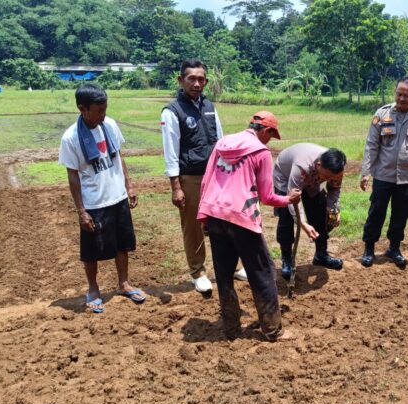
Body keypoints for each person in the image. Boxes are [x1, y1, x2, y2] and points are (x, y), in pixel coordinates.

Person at [197, 111, 301, 341]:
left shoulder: (222, 143)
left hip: (214, 213)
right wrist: (288, 200)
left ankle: (231, 328)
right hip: (242, 217)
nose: (269, 142)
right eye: (270, 137)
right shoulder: (260, 152)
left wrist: (204, 216)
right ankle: (273, 330)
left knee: (224, 275)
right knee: (262, 272)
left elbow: (206, 181)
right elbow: (266, 196)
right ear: (266, 131)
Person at [161, 58, 246, 299]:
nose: (197, 84)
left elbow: (220, 140)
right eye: (191, 79)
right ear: (181, 80)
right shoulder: (172, 111)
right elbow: (170, 152)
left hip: (216, 175)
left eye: (201, 79)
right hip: (190, 176)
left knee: (225, 221)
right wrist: (176, 187)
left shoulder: (209, 106)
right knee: (193, 226)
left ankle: (229, 266)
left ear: (206, 81)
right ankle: (198, 272)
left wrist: (230, 171)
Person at [58, 83, 146, 313]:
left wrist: (129, 185)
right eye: (98, 111)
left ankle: (124, 283)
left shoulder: (110, 125)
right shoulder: (70, 138)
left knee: (122, 244)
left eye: (105, 109)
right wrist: (81, 211)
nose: (103, 115)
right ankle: (94, 289)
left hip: (117, 196)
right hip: (94, 202)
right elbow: (73, 176)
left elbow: (118, 156)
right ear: (82, 109)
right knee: (91, 250)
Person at [359, 76, 408, 269]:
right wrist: (366, 171)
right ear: (395, 91)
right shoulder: (382, 114)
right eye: (399, 94)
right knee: (376, 212)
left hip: (407, 177)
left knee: (401, 214)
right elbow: (371, 145)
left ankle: (394, 247)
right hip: (383, 175)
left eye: (406, 96)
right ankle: (369, 248)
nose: (401, 99)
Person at [273, 143, 346, 278]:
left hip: (311, 178)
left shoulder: (337, 168)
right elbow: (292, 199)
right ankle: (287, 260)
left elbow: (334, 189)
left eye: (331, 178)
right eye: (326, 177)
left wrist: (332, 210)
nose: (328, 180)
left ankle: (321, 255)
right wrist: (303, 223)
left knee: (320, 210)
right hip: (285, 177)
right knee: (286, 217)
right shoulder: (301, 166)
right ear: (318, 165)